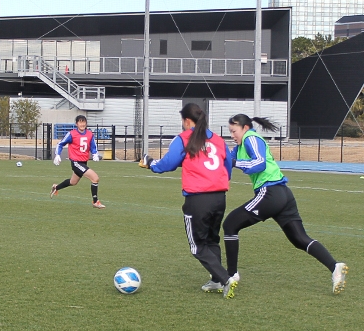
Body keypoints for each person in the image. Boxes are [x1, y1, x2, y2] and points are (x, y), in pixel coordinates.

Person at [223, 114, 348, 294]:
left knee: (230, 224)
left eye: (234, 131)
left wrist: (235, 162)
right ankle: (335, 266)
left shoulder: (251, 137)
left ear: (245, 128)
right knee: (299, 238)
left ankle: (231, 275)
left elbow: (259, 163)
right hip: (283, 194)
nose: (232, 135)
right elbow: (226, 160)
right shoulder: (241, 145)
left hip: (270, 193)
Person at [141, 103, 238, 298]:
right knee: (212, 240)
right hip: (219, 197)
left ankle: (225, 278)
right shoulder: (218, 140)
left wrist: (150, 163)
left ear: (187, 121)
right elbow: (228, 165)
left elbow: (167, 164)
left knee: (198, 246)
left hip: (198, 198)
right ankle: (216, 281)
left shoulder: (184, 138)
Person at [50, 114, 104, 208]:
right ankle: (95, 202)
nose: (82, 124)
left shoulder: (90, 134)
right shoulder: (72, 134)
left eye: (84, 122)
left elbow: (93, 146)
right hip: (76, 162)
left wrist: (95, 154)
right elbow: (60, 144)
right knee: (95, 178)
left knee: (73, 182)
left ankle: (56, 187)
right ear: (76, 123)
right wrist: (57, 155)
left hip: (83, 162)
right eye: (80, 122)